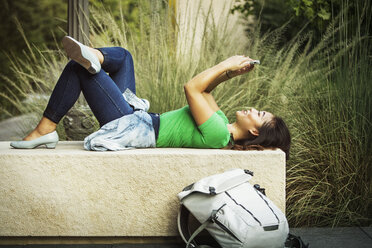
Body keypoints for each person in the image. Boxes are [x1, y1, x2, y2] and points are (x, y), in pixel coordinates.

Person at [10, 36, 291, 159]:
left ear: (255, 131)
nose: (255, 109)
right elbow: (206, 91)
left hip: (133, 127)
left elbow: (191, 87)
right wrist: (232, 73)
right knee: (124, 58)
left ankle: (44, 130)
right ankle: (95, 57)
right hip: (139, 118)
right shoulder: (219, 122)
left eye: (261, 114)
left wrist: (225, 63)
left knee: (77, 68)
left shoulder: (218, 134)